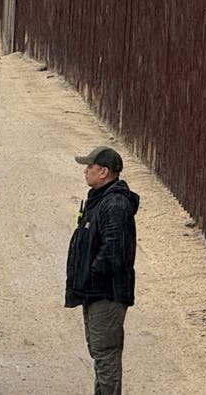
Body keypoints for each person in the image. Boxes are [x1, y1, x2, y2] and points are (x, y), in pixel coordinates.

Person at [65, 146, 139, 395]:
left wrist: (91, 274)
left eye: (89, 167)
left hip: (107, 292)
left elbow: (114, 251)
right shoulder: (101, 199)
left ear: (104, 172)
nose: (86, 171)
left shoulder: (115, 204)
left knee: (105, 355)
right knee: (100, 352)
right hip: (96, 291)